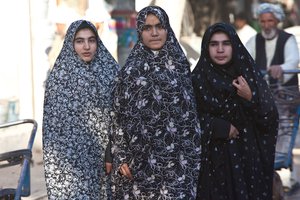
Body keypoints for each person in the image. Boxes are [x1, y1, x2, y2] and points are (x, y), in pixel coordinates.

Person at [111, 6, 202, 199]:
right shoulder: (129, 71)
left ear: (167, 29)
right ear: (140, 32)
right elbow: (118, 117)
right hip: (139, 164)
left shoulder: (180, 65)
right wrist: (121, 156)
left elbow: (191, 116)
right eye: (147, 28)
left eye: (159, 26)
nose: (154, 33)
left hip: (179, 163)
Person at [191, 22, 279, 199]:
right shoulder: (197, 79)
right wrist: (217, 126)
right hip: (213, 166)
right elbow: (187, 120)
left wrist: (250, 98)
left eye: (226, 43)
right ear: (206, 47)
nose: (220, 49)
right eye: (214, 44)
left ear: (235, 45)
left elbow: (270, 118)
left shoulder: (248, 76)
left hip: (247, 162)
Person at [42, 20, 119, 199]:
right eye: (79, 41)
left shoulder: (111, 71)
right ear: (70, 43)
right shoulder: (60, 79)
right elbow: (53, 130)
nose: (86, 46)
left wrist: (111, 152)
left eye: (91, 40)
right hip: (71, 164)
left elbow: (121, 116)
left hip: (108, 160)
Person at [245, 2, 299, 86]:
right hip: (261, 92)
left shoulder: (288, 39)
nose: (266, 26)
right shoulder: (254, 40)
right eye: (263, 21)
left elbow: (293, 61)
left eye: (270, 21)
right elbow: (245, 59)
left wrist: (281, 68)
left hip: (286, 93)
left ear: (277, 21)